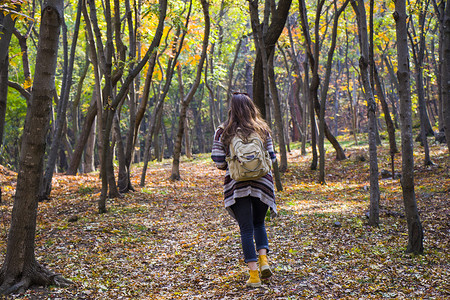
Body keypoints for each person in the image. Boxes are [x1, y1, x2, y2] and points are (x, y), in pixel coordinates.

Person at [211, 92, 277, 288]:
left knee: (246, 229)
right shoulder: (262, 129)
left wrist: (234, 164)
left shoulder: (223, 131)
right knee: (259, 224)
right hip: (262, 184)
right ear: (251, 107)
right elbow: (272, 158)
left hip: (237, 185)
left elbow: (218, 160)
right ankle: (264, 261)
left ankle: (254, 275)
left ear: (232, 108)